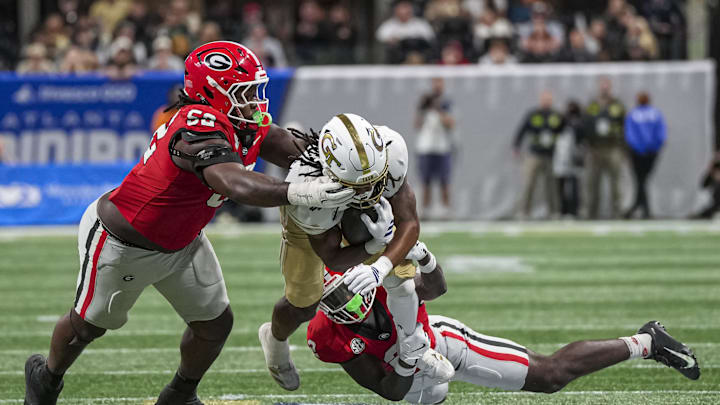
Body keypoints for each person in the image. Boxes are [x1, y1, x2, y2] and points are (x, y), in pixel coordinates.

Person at [23, 41, 354, 405]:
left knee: (214, 324)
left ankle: (179, 395)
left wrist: (344, 161)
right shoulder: (196, 125)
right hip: (123, 241)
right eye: (242, 93)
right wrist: (302, 192)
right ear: (212, 92)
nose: (254, 102)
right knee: (88, 327)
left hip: (182, 241)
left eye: (254, 91)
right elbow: (233, 182)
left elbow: (287, 144)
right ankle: (46, 379)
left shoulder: (244, 123)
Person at [308, 242, 701, 404]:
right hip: (407, 374)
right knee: (433, 395)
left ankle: (647, 341)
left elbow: (437, 288)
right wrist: (408, 360)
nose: (340, 307)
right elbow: (386, 390)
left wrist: (426, 260)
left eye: (343, 294)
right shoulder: (326, 333)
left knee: (549, 376)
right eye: (330, 301)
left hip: (442, 345)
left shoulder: (386, 281)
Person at [259, 113, 442, 391]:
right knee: (304, 300)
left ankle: (412, 344)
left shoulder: (391, 152)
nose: (370, 190)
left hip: (352, 205)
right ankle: (275, 340)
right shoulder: (308, 185)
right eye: (361, 184)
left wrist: (381, 264)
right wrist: (372, 247)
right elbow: (331, 257)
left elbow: (409, 223)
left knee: (402, 277)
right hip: (320, 207)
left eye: (375, 180)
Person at [513, 90, 565, 219]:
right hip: (534, 154)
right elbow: (522, 130)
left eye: (549, 99)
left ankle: (554, 212)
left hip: (550, 154)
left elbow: (564, 130)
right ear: (540, 100)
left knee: (552, 185)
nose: (546, 101)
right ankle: (524, 211)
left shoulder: (556, 115)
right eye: (544, 99)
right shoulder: (533, 114)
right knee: (528, 183)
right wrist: (516, 146)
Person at [584, 77, 626, 219]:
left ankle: (617, 213)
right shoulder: (592, 105)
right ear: (599, 87)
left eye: (607, 86)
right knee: (592, 183)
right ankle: (591, 213)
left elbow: (624, 124)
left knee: (616, 182)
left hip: (612, 147)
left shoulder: (617, 105)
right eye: (602, 86)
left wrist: (622, 145)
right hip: (595, 148)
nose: (604, 88)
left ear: (610, 87)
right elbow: (586, 123)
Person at [414, 78, 455, 217]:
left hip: (442, 147)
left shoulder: (447, 104)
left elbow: (451, 124)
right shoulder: (425, 104)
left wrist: (438, 108)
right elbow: (417, 125)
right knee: (425, 181)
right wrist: (422, 108)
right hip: (425, 147)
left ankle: (446, 210)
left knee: (444, 181)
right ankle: (425, 210)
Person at [623, 91, 666, 219]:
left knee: (641, 180)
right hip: (651, 153)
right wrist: (653, 148)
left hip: (637, 153)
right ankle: (641, 208)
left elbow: (629, 135)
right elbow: (661, 134)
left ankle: (638, 207)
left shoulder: (633, 115)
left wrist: (639, 148)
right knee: (642, 181)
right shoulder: (656, 114)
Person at [553, 101, 584, 218]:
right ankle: (562, 210)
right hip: (561, 157)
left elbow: (582, 138)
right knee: (561, 185)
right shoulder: (562, 121)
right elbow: (556, 129)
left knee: (575, 185)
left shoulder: (580, 122)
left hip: (575, 157)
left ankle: (574, 210)